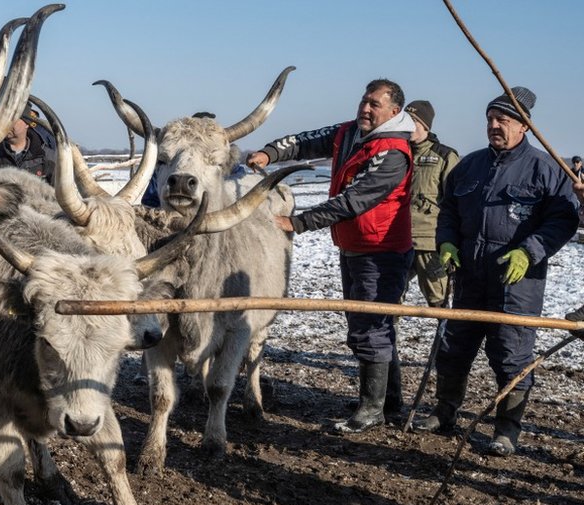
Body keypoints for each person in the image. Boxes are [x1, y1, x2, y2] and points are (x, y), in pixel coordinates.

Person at [411, 87, 580, 457]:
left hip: (517, 282)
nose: (493, 125)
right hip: (469, 276)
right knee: (454, 348)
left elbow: (563, 220)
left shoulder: (547, 169)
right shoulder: (469, 166)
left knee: (511, 355)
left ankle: (506, 430)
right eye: (490, 118)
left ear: (524, 126)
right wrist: (447, 243)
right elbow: (448, 211)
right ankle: (445, 412)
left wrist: (529, 251)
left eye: (503, 119)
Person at [245, 79, 415, 434]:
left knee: (372, 326)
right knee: (369, 326)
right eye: (364, 101)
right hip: (353, 246)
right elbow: (307, 141)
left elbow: (354, 200)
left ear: (394, 112)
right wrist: (270, 153)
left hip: (380, 250)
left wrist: (298, 222)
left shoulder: (392, 151)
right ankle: (388, 402)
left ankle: (372, 408)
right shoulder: (348, 132)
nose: (365, 109)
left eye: (375, 105)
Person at [402, 100, 460, 307]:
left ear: (426, 126)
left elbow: (456, 202)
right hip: (398, 241)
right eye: (405, 120)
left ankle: (444, 339)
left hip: (430, 242)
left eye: (414, 121)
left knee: (440, 302)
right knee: (390, 300)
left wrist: (452, 239)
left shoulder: (445, 156)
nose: (408, 125)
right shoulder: (396, 154)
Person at [0, 106, 55, 183]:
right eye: (5, 119)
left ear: (27, 124)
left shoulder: (49, 157)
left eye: (14, 119)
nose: (7, 123)